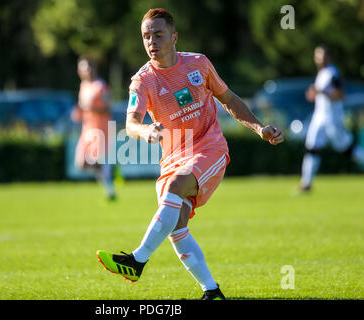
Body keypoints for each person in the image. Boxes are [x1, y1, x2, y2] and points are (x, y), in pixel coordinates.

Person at [96, 8, 283, 300]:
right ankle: (212, 292)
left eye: (158, 34)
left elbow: (229, 99)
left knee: (174, 188)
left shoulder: (199, 63)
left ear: (174, 36)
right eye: (146, 36)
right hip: (173, 159)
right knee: (175, 225)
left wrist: (259, 128)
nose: (151, 41)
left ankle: (137, 260)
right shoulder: (142, 80)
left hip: (209, 149)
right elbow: (131, 123)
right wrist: (145, 132)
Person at [299, 45, 364, 192]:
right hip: (319, 116)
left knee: (347, 149)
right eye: (317, 55)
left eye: (321, 55)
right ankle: (306, 184)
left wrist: (321, 91)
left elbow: (340, 95)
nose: (318, 58)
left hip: (333, 118)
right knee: (312, 147)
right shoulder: (321, 74)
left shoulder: (332, 73)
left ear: (328, 57)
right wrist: (314, 94)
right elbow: (319, 94)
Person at [71, 56, 116, 200]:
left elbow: (107, 107)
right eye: (84, 68)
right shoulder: (83, 86)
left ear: (94, 69)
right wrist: (78, 112)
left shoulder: (100, 86)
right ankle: (107, 170)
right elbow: (82, 108)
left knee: (92, 161)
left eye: (90, 67)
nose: (87, 71)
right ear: (79, 71)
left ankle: (109, 190)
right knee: (80, 163)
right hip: (87, 130)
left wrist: (90, 108)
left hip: (100, 130)